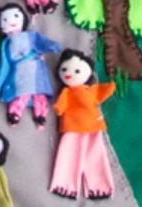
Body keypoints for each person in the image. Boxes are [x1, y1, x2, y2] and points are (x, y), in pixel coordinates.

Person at [49, 50, 115, 200]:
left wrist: (110, 87)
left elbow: (101, 91)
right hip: (72, 127)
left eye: (77, 71)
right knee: (69, 154)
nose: (69, 74)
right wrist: (59, 108)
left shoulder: (90, 90)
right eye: (64, 69)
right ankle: (64, 186)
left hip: (93, 126)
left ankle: (99, 187)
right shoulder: (67, 92)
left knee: (96, 154)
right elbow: (61, 104)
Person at [0, 4, 61, 127]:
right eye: (5, 19)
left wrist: (52, 46)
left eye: (16, 16)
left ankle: (40, 115)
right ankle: (14, 114)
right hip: (20, 73)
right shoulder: (6, 44)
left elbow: (42, 42)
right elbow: (3, 67)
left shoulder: (31, 35)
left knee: (39, 93)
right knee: (22, 93)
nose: (11, 21)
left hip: (36, 70)